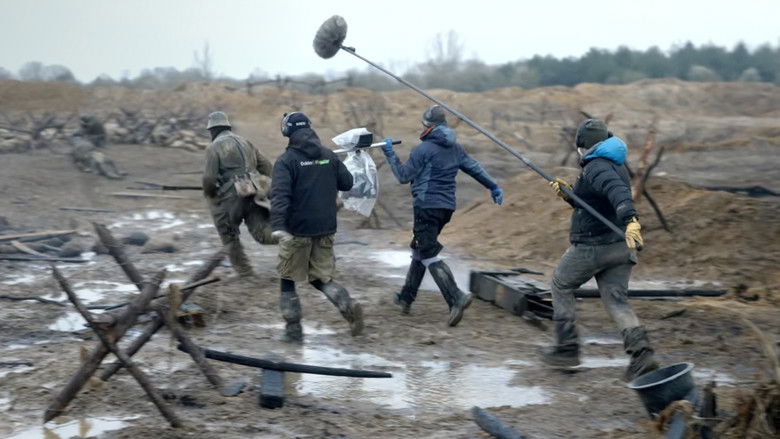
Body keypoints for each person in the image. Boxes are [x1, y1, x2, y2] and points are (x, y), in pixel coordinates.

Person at [542, 118, 659, 382]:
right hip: (620, 248)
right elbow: (595, 202)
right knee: (616, 300)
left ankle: (567, 348)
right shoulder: (614, 164)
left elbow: (619, 194)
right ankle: (642, 356)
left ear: (583, 145)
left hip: (596, 245)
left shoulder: (597, 167)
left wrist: (631, 220)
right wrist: (569, 195)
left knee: (561, 285)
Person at [381, 105, 504, 326]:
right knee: (420, 249)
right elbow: (474, 167)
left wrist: (390, 155)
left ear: (426, 125)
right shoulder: (455, 148)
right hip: (446, 208)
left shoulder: (423, 150)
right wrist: (494, 186)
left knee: (427, 253)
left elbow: (402, 176)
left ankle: (455, 296)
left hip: (426, 207)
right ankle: (406, 298)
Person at [270, 111, 364, 342]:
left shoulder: (286, 162)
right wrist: (330, 164)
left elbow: (280, 196)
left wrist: (278, 225)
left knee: (288, 280)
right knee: (321, 278)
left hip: (296, 230)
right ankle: (347, 305)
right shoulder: (328, 155)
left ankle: (293, 332)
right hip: (325, 228)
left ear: (287, 131)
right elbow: (348, 182)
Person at [202, 111, 274, 278]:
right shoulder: (246, 142)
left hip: (233, 195)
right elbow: (267, 167)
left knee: (226, 230)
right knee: (262, 233)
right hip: (255, 191)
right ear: (227, 127)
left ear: (212, 130)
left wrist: (211, 194)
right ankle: (291, 236)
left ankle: (245, 271)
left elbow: (209, 179)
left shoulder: (214, 147)